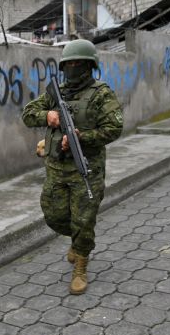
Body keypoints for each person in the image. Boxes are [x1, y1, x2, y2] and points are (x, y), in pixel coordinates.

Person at [21, 39, 123, 295]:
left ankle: (81, 263)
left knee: (84, 220)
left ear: (90, 66)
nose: (74, 68)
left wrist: (81, 137)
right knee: (54, 216)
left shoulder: (101, 94)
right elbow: (27, 113)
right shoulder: (57, 92)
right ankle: (77, 242)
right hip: (55, 168)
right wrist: (48, 116)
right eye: (70, 64)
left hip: (85, 170)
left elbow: (114, 128)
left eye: (79, 63)